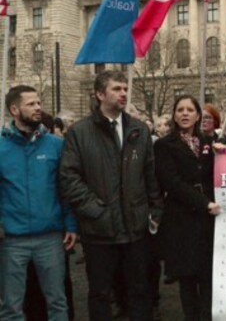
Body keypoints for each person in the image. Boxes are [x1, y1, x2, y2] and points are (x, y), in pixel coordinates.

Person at [59, 70, 164, 321]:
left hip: (136, 229)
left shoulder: (138, 129)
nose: (124, 93)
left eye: (125, 89)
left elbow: (150, 176)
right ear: (99, 94)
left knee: (140, 291)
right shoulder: (80, 132)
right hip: (100, 232)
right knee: (101, 294)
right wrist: (97, 211)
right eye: (117, 89)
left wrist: (155, 211)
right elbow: (69, 178)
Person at [0, 86, 77, 320]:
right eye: (31, 104)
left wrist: (71, 225)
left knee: (57, 302)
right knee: (11, 307)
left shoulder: (55, 144)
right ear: (14, 109)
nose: (38, 108)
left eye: (38, 103)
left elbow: (65, 188)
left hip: (50, 238)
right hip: (12, 241)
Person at [155, 96, 221, 321]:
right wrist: (204, 203)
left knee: (208, 276)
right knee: (187, 278)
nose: (185, 113)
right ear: (174, 115)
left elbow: (216, 175)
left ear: (197, 115)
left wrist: (225, 153)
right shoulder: (164, 145)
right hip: (181, 219)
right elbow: (172, 183)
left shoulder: (208, 143)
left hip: (207, 221)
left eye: (190, 110)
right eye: (180, 109)